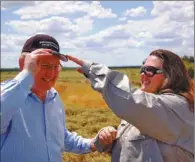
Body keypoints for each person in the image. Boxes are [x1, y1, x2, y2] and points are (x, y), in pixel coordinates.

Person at [67, 49, 194, 162]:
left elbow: (130, 100)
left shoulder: (177, 107)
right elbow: (136, 147)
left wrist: (93, 70)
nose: (143, 74)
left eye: (150, 70)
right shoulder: (143, 110)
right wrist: (108, 139)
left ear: (170, 75)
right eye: (142, 69)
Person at [0, 34, 97, 162]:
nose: (51, 73)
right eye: (44, 65)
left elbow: (61, 137)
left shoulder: (54, 97)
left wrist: (91, 143)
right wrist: (26, 74)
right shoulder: (7, 95)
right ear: (23, 63)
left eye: (56, 66)